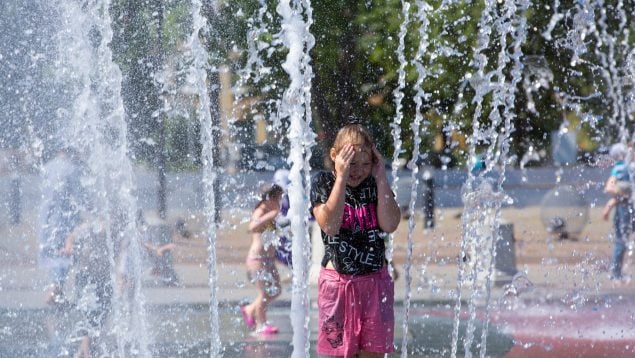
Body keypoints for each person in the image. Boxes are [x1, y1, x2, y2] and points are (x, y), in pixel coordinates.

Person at [310, 123, 401, 357]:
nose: (358, 170)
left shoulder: (375, 184)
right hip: (338, 285)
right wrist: (340, 178)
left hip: (375, 283)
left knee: (374, 353)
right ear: (335, 156)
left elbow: (390, 224)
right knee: (339, 353)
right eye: (351, 163)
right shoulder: (324, 182)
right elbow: (329, 225)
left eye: (365, 164)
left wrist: (381, 177)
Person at [38, 147, 85, 306]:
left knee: (54, 254)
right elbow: (79, 196)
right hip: (64, 218)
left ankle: (57, 291)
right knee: (63, 253)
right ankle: (54, 290)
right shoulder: (72, 169)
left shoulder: (49, 166)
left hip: (47, 217)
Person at [61, 212, 113, 357]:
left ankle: (88, 346)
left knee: (103, 311)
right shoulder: (88, 227)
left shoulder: (110, 227)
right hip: (86, 275)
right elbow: (72, 236)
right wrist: (68, 247)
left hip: (104, 276)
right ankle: (85, 346)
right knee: (88, 310)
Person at [240, 184, 285, 335]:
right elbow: (252, 227)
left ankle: (250, 309)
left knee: (276, 290)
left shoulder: (271, 211)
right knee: (265, 293)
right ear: (270, 198)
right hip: (257, 259)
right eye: (278, 198)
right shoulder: (261, 211)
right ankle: (261, 324)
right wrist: (270, 216)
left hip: (268, 260)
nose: (280, 201)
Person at [602, 142, 634, 282]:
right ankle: (615, 274)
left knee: (621, 241)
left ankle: (615, 273)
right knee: (621, 241)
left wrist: (611, 203)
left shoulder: (625, 167)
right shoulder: (623, 167)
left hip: (624, 207)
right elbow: (610, 186)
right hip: (625, 209)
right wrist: (623, 195)